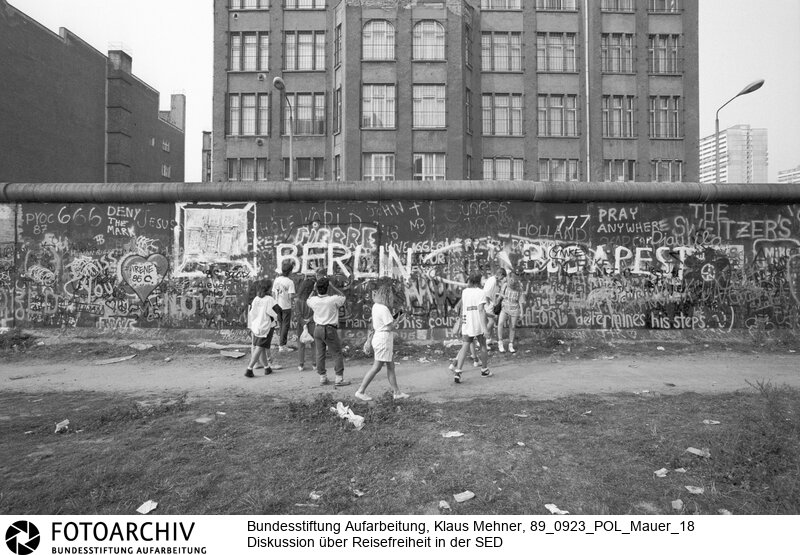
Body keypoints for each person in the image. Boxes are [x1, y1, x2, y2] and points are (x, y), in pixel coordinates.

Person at [355, 284, 408, 401]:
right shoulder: (384, 309)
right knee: (377, 367)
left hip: (380, 338)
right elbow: (389, 327)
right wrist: (398, 319)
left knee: (390, 366)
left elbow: (384, 323)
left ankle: (397, 392)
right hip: (383, 339)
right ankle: (360, 391)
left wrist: (394, 319)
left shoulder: (376, 306)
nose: (392, 299)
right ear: (387, 296)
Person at [306, 276, 350, 386]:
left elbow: (308, 299)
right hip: (329, 329)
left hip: (317, 329)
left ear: (317, 289)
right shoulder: (333, 299)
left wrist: (313, 289)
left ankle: (323, 377)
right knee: (337, 353)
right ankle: (339, 378)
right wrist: (333, 286)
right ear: (327, 288)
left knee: (320, 354)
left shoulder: (314, 300)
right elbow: (343, 296)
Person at [451, 272, 492, 384]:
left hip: (467, 322)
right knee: (483, 345)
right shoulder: (481, 293)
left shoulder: (465, 292)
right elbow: (481, 310)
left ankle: (458, 372)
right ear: (479, 281)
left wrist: (462, 323)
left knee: (465, 346)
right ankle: (484, 370)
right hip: (477, 322)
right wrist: (485, 329)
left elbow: (464, 308)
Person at [245, 279, 279, 378]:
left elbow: (252, 313)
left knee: (261, 347)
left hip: (256, 326)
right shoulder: (270, 299)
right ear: (269, 288)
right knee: (260, 347)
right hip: (266, 327)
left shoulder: (256, 299)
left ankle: (267, 368)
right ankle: (249, 369)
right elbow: (275, 312)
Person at [272, 260, 296, 353]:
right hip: (286, 306)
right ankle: (282, 345)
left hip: (277, 305)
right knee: (285, 326)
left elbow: (273, 293)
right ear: (290, 271)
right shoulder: (290, 282)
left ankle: (281, 344)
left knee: (281, 325)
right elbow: (290, 296)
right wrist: (296, 295)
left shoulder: (277, 279)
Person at [295, 272, 317, 372]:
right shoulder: (313, 300)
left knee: (301, 344)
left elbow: (298, 315)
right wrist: (310, 319)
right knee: (314, 344)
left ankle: (301, 364)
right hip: (312, 324)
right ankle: (315, 363)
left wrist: (303, 323)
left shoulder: (298, 301)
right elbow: (316, 312)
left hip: (301, 325)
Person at [497, 272, 524, 353]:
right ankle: (500, 342)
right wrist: (499, 298)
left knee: (512, 327)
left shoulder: (519, 288)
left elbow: (520, 300)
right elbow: (501, 294)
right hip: (505, 307)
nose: (510, 282)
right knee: (500, 323)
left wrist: (522, 313)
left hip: (514, 309)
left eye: (512, 281)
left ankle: (510, 344)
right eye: (509, 280)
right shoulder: (505, 285)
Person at [482, 268, 507, 348]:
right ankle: (482, 340)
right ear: (500, 274)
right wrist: (488, 303)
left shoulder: (493, 280)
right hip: (487, 303)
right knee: (491, 322)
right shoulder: (492, 281)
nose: (502, 279)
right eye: (502, 277)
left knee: (491, 322)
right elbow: (486, 292)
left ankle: (489, 339)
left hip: (489, 303)